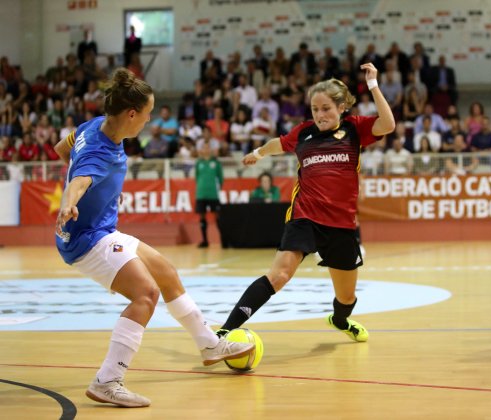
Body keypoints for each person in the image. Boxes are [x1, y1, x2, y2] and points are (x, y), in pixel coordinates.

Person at [54, 68, 253, 408]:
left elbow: (63, 148)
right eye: (146, 116)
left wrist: (96, 193)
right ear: (131, 113)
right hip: (86, 240)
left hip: (101, 229)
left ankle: (208, 344)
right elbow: (80, 180)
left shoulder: (92, 126)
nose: (147, 122)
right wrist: (69, 203)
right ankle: (107, 380)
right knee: (146, 294)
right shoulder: (100, 151)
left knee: (166, 272)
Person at [215, 63, 395, 342]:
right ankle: (225, 331)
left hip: (341, 224)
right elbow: (279, 143)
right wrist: (259, 153)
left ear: (341, 107)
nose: (320, 115)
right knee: (279, 274)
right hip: (305, 217)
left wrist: (373, 85)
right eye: (315, 109)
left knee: (346, 297)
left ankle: (340, 319)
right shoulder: (304, 134)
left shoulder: (355, 130)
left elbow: (389, 124)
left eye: (326, 108)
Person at [195, 143, 223, 248]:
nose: (206, 149)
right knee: (202, 217)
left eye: (208, 147)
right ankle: (205, 241)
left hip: (213, 195)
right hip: (201, 194)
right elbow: (196, 178)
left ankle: (223, 240)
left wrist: (216, 189)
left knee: (218, 217)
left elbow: (220, 178)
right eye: (204, 147)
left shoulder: (216, 163)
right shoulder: (198, 163)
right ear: (201, 150)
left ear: (210, 150)